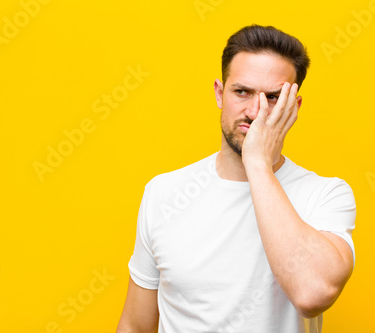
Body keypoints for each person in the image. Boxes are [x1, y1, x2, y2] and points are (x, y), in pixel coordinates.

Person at [116, 24, 356, 333]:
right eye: (241, 92)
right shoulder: (164, 193)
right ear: (219, 93)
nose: (255, 112)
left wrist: (257, 162)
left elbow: (312, 294)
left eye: (273, 97)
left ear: (293, 108)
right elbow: (135, 326)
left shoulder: (325, 195)